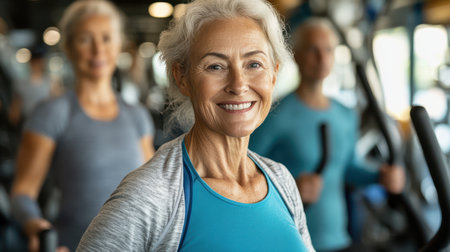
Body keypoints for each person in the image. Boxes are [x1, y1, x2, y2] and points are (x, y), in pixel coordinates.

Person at [77, 0, 315, 251]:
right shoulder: (153, 193)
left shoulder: (281, 180)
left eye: (254, 64)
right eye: (216, 66)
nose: (238, 84)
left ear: (273, 74)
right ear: (182, 77)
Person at [249, 17, 405, 252]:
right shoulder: (275, 114)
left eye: (328, 50)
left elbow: (349, 168)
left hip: (339, 240)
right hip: (291, 241)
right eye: (313, 49)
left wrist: (381, 176)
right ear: (296, 55)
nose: (322, 58)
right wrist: (287, 188)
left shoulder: (345, 114)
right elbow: (242, 172)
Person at [9, 0, 155, 250]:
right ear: (68, 47)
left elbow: (153, 193)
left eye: (107, 38)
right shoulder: (52, 113)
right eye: (85, 39)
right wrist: (36, 226)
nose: (98, 50)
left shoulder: (137, 116)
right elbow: (23, 192)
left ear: (118, 44)